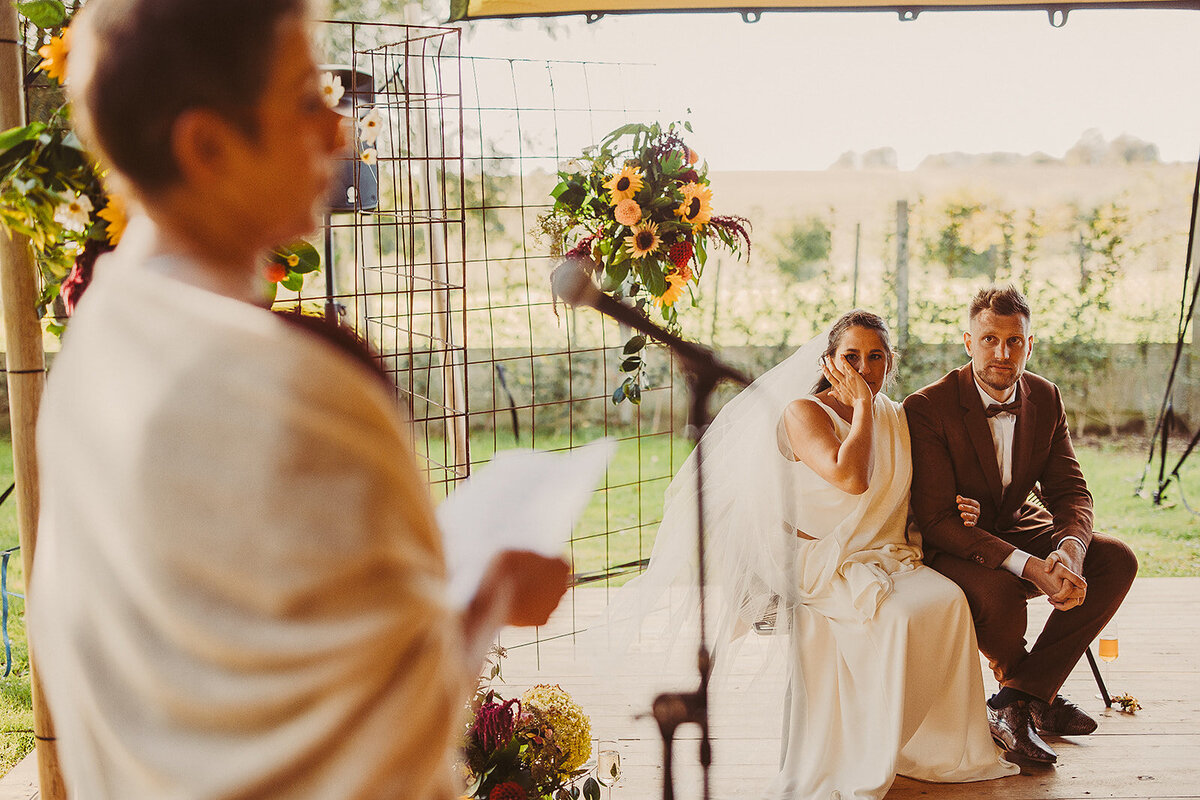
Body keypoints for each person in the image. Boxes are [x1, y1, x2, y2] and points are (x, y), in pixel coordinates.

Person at [27, 2, 569, 798]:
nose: (338, 133)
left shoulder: (100, 339)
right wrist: (494, 591)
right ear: (208, 145)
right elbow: (391, 708)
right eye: (306, 99)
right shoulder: (297, 380)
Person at [606, 311, 1016, 800]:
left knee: (948, 603)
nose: (863, 368)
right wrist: (862, 408)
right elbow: (852, 478)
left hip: (883, 551)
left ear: (890, 363)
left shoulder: (896, 415)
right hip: (817, 559)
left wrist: (955, 505)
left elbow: (907, 493)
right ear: (828, 360)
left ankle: (935, 750)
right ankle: (865, 752)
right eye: (851, 356)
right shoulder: (804, 412)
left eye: (876, 357)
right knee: (901, 614)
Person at [904, 285, 1138, 765]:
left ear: (1030, 344)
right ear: (968, 342)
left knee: (1115, 559)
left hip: (1015, 522)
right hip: (954, 539)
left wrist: (1069, 552)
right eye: (989, 340)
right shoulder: (928, 407)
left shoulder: (1046, 397)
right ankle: (1034, 700)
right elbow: (936, 520)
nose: (1002, 353)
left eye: (1014, 341)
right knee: (1001, 592)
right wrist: (1031, 567)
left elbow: (1070, 492)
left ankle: (1015, 701)